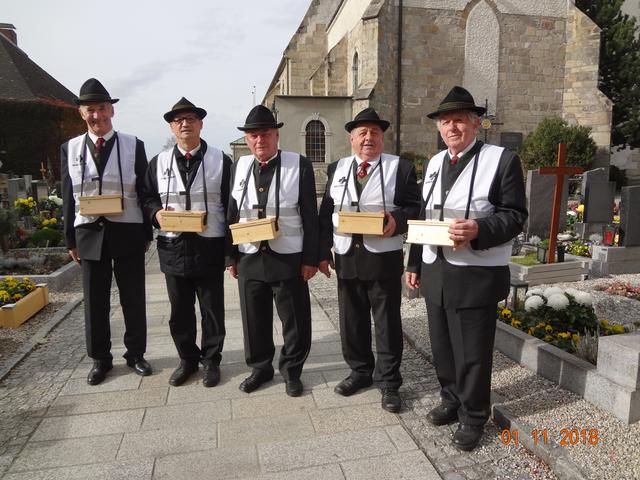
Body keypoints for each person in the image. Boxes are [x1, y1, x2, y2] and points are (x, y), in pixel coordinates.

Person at [405, 86, 528, 450]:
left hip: (476, 273)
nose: (451, 127)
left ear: (475, 123)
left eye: (459, 119)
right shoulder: (433, 163)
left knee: (472, 351)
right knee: (442, 346)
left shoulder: (501, 160)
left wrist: (478, 230)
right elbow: (424, 216)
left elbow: (515, 216)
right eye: (445, 121)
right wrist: (414, 262)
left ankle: (474, 415)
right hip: (436, 270)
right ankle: (451, 398)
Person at [318, 107, 421, 413]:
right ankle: (360, 372)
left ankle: (389, 383)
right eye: (362, 133)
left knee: (387, 323)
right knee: (352, 321)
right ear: (351, 139)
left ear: (382, 138)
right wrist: (323, 251)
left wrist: (397, 218)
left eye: (374, 133)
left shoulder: (400, 168)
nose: (368, 138)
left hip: (383, 258)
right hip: (347, 256)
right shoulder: (337, 168)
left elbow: (416, 207)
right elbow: (327, 212)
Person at [61, 78, 152, 385]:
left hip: (126, 231)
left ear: (111, 110)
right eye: (90, 110)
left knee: (133, 297)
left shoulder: (133, 145)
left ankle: (136, 354)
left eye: (101, 108)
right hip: (88, 234)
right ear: (81, 113)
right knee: (95, 301)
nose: (96, 115)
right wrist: (69, 238)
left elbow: (144, 191)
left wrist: (146, 235)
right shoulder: (70, 148)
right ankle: (100, 359)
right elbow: (67, 196)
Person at [226, 105, 318, 397]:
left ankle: (292, 371)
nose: (259, 140)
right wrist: (230, 256)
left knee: (294, 320)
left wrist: (310, 258)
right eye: (253, 136)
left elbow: (310, 216)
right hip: (250, 255)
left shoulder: (298, 164)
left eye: (265, 134)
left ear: (276, 135)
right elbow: (231, 213)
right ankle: (260, 368)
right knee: (254, 320)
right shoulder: (239, 167)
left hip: (287, 256)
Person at [142, 98, 231, 387]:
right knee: (179, 311)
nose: (185, 124)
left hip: (209, 245)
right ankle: (187, 360)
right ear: (171, 126)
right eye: (179, 120)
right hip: (173, 247)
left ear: (200, 124)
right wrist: (156, 213)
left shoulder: (221, 159)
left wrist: (232, 253)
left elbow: (232, 204)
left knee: (211, 310)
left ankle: (211, 361)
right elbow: (146, 197)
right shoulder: (159, 162)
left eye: (191, 118)